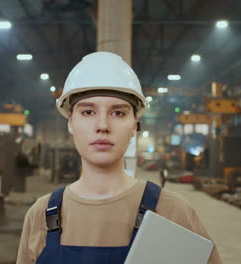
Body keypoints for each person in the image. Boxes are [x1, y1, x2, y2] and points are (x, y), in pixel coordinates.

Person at [16, 52, 222, 264]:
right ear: (70, 122)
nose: (102, 126)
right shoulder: (41, 214)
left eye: (118, 113)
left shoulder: (173, 212)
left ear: (134, 125)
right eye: (88, 112)